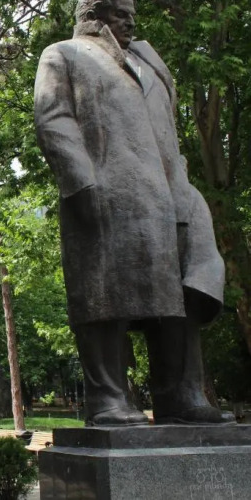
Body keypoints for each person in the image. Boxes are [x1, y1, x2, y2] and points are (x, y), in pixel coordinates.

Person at [34, 0, 234, 427]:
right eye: (121, 13)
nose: (131, 20)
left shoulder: (150, 64)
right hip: (107, 191)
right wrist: (82, 183)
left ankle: (181, 396)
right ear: (94, 16)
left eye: (131, 13)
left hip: (171, 195)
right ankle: (107, 398)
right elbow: (53, 120)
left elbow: (169, 134)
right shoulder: (64, 54)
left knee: (184, 289)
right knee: (105, 295)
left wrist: (184, 184)